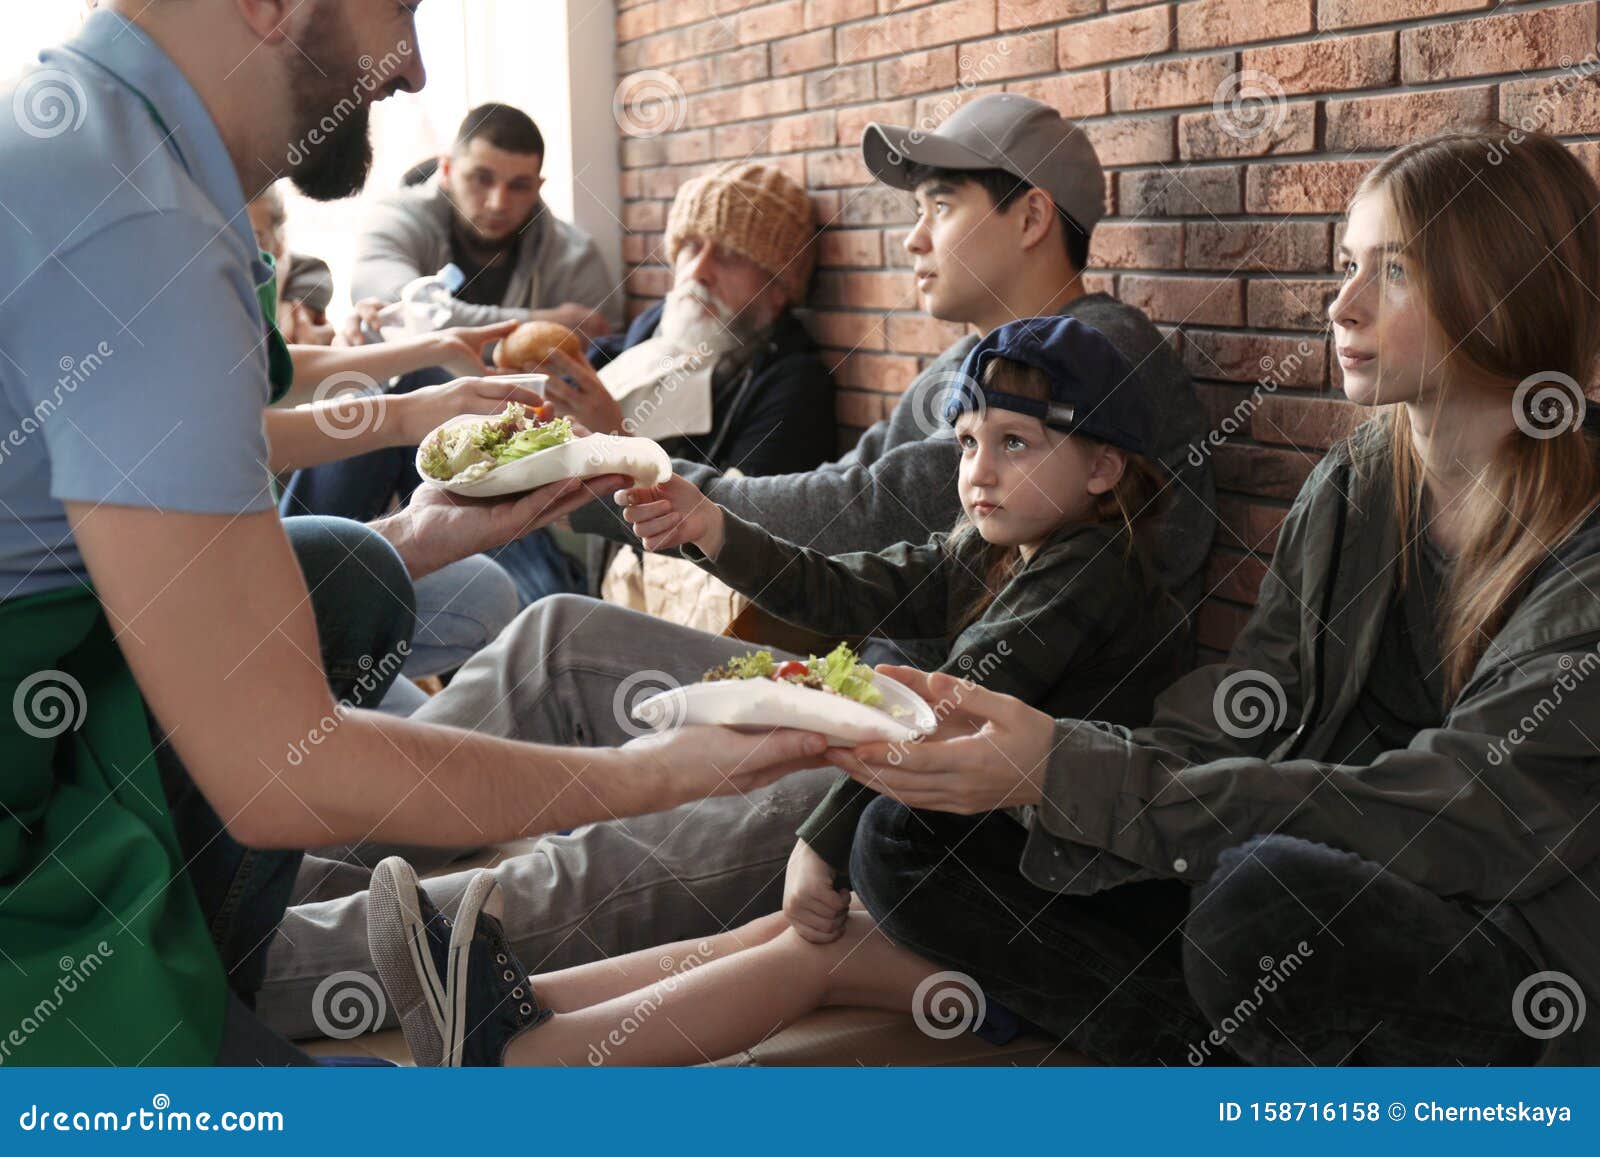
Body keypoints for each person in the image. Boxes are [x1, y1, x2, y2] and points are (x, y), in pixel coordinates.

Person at [255, 92, 1217, 1041]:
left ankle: (261, 968)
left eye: (939, 204)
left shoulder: (1087, 369)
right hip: (850, 687)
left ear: (1034, 215)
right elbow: (870, 530)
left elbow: (862, 518)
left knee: (611, 842)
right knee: (556, 636)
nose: (913, 238)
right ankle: (260, 875)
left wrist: (631, 464)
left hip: (923, 767)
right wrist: (656, 489)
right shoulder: (968, 372)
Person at [0, 0, 825, 1067]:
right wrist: (665, 769)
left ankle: (215, 968)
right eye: (400, 8)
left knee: (350, 569)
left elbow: (180, 434)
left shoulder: (95, 143)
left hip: (57, 732)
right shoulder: (134, 221)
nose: (417, 70)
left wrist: (415, 483)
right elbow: (276, 771)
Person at [806, 126, 1600, 1065]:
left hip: (1498, 957)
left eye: (1393, 272)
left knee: (1258, 903)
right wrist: (1041, 760)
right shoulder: (1355, 481)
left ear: (1501, 290)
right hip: (1284, 869)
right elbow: (1245, 711)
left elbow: (1457, 815)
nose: (1340, 304)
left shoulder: (1581, 543)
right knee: (909, 842)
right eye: (1347, 264)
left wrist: (1069, 775)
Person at [365, 315, 1191, 1064]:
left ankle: (515, 1063)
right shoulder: (1007, 547)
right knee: (782, 926)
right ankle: (511, 1004)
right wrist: (712, 529)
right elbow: (847, 589)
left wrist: (821, 843)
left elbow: (956, 699)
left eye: (1016, 443)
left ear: (1104, 467)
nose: (979, 471)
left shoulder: (1093, 569)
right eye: (969, 441)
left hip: (1077, 935)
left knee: (815, 947)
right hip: (998, 884)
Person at [494, 161, 837, 607]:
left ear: (778, 289)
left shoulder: (791, 382)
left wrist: (615, 436)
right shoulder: (647, 333)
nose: (699, 270)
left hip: (654, 595)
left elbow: (738, 534)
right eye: (691, 246)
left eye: (729, 254)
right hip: (577, 552)